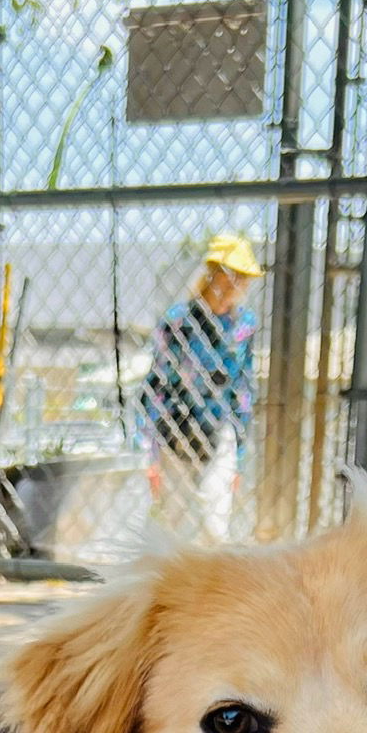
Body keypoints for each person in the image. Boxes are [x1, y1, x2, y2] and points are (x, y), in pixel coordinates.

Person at [138, 232, 261, 544]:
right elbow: (157, 386)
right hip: (176, 429)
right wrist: (150, 454)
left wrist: (240, 457)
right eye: (235, 274)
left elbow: (244, 390)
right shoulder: (179, 321)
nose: (240, 284)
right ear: (214, 273)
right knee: (175, 528)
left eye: (244, 277)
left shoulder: (244, 324)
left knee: (214, 528)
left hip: (220, 429)